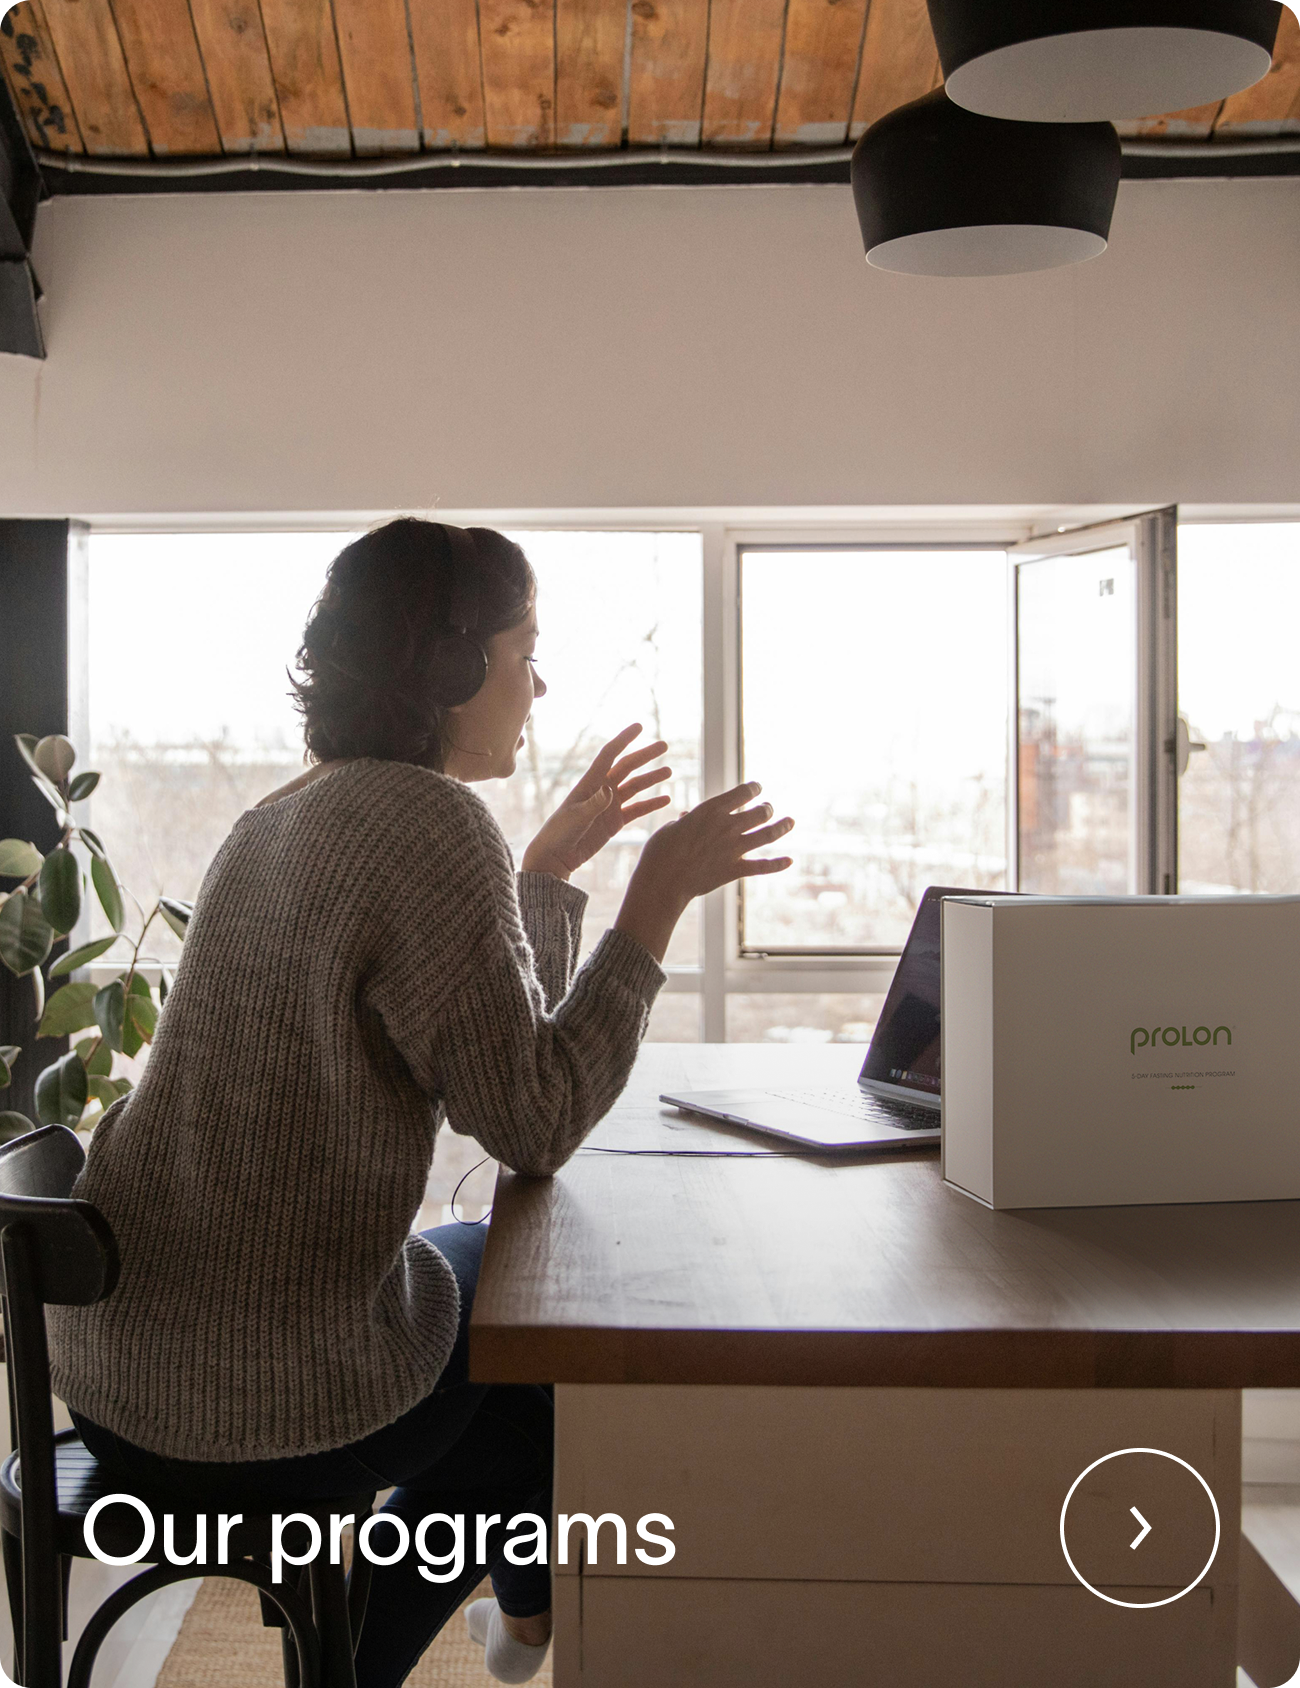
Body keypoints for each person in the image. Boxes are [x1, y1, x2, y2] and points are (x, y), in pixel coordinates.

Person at [48, 519, 794, 1687]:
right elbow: (535, 1122)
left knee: (501, 1288)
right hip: (254, 1394)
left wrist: (541, 877)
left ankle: (517, 1627)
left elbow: (493, 1058)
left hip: (118, 1370)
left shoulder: (283, 811)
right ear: (449, 663)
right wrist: (654, 895)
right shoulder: (430, 823)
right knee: (545, 1386)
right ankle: (378, 1660)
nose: (538, 684)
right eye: (524, 651)